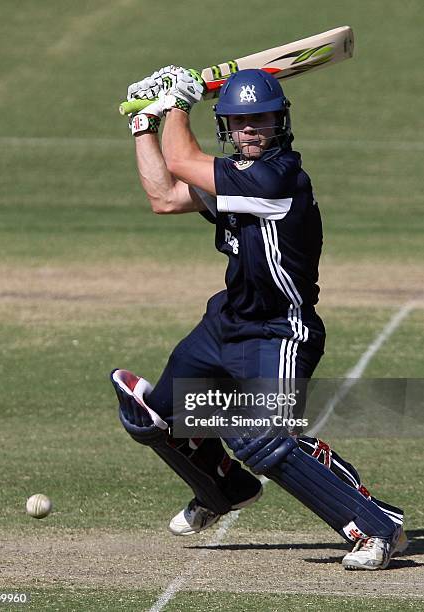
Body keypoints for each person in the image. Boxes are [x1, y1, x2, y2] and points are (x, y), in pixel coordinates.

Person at [111, 66, 407, 570]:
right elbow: (163, 197)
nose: (251, 130)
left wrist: (177, 103)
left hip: (279, 332)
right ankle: (225, 489)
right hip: (224, 324)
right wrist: (144, 124)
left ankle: (377, 528)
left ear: (280, 122)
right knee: (155, 416)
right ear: (227, 126)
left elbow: (182, 159)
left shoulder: (277, 177)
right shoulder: (236, 179)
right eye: (240, 122)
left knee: (263, 436)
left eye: (261, 120)